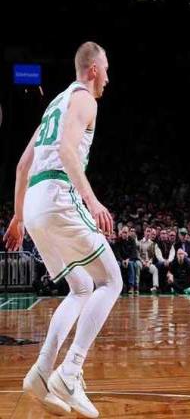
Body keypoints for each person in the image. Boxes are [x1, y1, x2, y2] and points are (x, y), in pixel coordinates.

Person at [3, 42, 122, 418]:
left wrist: (19, 217)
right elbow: (68, 152)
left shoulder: (55, 103)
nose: (108, 77)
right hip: (58, 194)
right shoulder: (85, 99)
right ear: (93, 69)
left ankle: (42, 372)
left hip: (35, 204)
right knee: (112, 281)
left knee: (82, 287)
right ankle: (70, 372)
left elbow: (22, 166)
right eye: (105, 69)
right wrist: (92, 200)